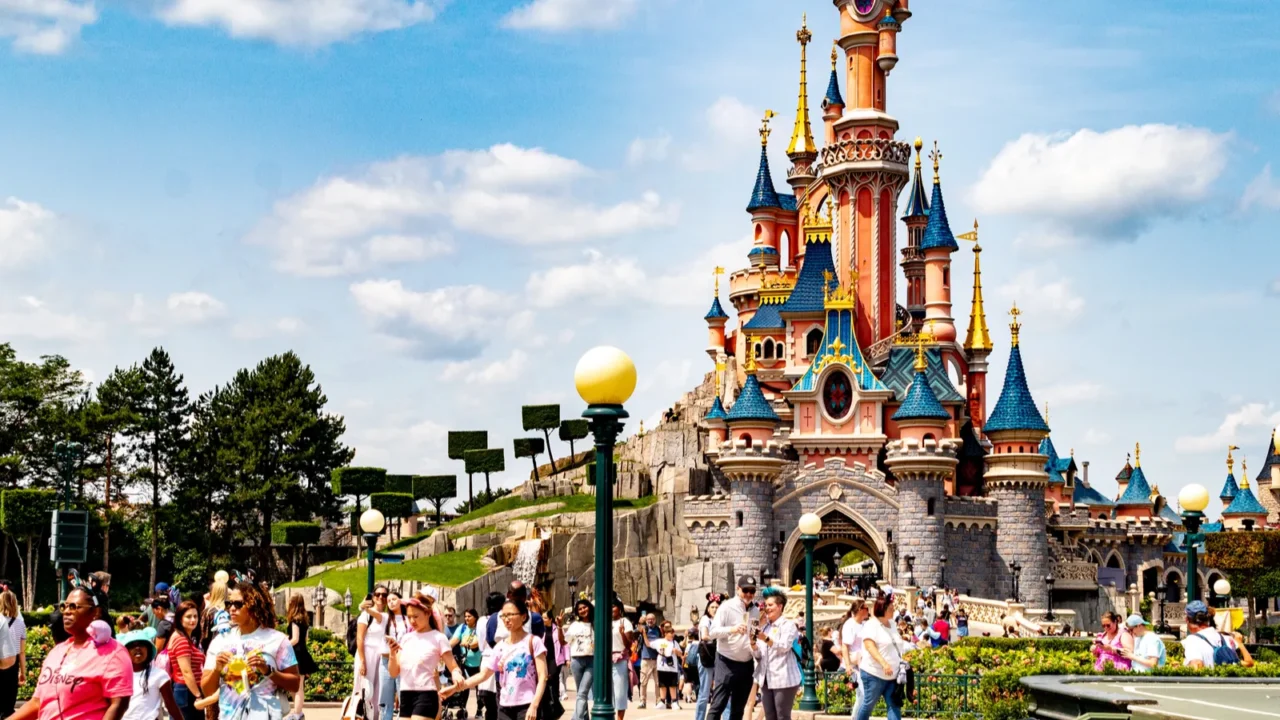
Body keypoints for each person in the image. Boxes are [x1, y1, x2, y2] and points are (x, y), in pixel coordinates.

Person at [9, 586, 132, 720]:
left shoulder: (113, 652)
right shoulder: (56, 652)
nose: (67, 611)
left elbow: (119, 704)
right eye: (65, 606)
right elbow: (37, 703)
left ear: (95, 612)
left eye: (74, 607)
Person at [201, 581, 301, 719]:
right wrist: (217, 669)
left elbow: (295, 684)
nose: (231, 609)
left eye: (238, 604)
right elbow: (207, 690)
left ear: (254, 605)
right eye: (229, 604)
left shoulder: (277, 640)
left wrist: (268, 671)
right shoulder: (220, 641)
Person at [444, 598, 548, 720]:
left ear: (523, 617)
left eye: (510, 615)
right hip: (504, 706)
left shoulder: (534, 642)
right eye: (503, 616)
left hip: (527, 705)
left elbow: (543, 676)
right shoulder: (500, 647)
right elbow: (483, 675)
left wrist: (534, 705)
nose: (506, 619)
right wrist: (456, 688)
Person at [388, 596, 465, 720]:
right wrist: (392, 653)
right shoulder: (406, 638)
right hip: (405, 694)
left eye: (416, 616)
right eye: (409, 617)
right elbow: (393, 673)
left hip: (426, 694)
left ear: (428, 613)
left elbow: (453, 666)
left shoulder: (438, 638)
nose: (412, 621)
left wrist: (456, 675)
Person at [706, 576, 761, 720]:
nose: (749, 594)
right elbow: (712, 632)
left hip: (746, 664)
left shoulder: (755, 611)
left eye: (752, 591)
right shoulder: (726, 606)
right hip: (726, 662)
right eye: (745, 590)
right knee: (718, 705)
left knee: (738, 710)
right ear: (738, 589)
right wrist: (733, 629)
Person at [853, 594, 907, 720]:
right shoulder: (871, 625)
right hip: (874, 674)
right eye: (890, 608)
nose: (893, 610)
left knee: (894, 705)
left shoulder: (892, 624)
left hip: (893, 675)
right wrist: (884, 663)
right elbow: (869, 646)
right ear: (883, 609)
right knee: (868, 705)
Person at [752, 587, 799, 720]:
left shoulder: (788, 625)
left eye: (770, 605)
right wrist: (753, 644)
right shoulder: (765, 627)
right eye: (766, 605)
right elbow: (759, 656)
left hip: (783, 679)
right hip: (766, 679)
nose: (767, 608)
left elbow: (784, 646)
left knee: (782, 716)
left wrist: (765, 638)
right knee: (770, 716)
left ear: (780, 606)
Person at [120, 627, 184, 720]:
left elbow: (171, 705)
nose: (137, 648)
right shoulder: (119, 676)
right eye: (132, 645)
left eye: (142, 644)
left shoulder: (159, 675)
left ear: (148, 649)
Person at [356, 585, 392, 720]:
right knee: (365, 690)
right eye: (378, 594)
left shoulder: (388, 616)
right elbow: (360, 638)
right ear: (373, 596)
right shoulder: (365, 616)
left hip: (382, 656)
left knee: (379, 691)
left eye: (384, 595)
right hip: (367, 654)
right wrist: (363, 661)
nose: (381, 597)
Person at [168, 600, 207, 720]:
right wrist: (198, 695)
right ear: (180, 619)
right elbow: (186, 671)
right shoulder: (181, 640)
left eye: (195, 616)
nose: (193, 620)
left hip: (184, 689)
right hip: (186, 690)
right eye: (188, 617)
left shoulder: (182, 637)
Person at [284, 594, 319, 720]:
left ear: (293, 603)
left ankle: (297, 713)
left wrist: (283, 643)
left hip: (296, 655)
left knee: (297, 687)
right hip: (303, 653)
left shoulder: (294, 620)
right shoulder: (304, 619)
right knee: (299, 686)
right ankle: (297, 711)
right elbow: (305, 638)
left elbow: (295, 639)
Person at [380, 591, 411, 719]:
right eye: (389, 601)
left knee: (403, 697)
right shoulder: (385, 618)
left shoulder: (409, 619)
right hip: (386, 661)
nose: (391, 602)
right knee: (386, 701)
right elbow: (371, 611)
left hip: (402, 661)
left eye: (394, 599)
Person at [1181, 601, 1238, 669]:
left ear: (1187, 620)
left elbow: (1197, 666)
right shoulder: (1227, 638)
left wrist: (1180, 669)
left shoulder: (1192, 640)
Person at [476, 592, 506, 720]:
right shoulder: (500, 619)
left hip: (485, 658)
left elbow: (481, 643)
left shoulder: (481, 620)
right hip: (498, 659)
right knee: (498, 699)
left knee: (488, 700)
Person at [450, 608, 483, 714]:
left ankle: (479, 709)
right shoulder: (462, 628)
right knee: (464, 685)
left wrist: (468, 644)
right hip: (465, 662)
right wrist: (444, 649)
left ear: (475, 617)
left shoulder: (479, 628)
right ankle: (463, 708)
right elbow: (454, 641)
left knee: (480, 688)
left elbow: (477, 643)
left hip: (479, 664)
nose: (467, 618)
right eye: (465, 616)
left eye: (469, 616)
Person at [695, 594, 723, 720]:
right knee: (704, 692)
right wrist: (718, 635)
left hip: (720, 656)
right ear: (707, 608)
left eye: (717, 607)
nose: (715, 609)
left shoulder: (722, 620)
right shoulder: (705, 619)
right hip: (707, 655)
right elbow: (705, 635)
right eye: (712, 607)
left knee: (722, 690)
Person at [565, 600, 594, 720]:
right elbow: (566, 642)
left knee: (582, 692)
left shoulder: (596, 624)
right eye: (580, 609)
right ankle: (584, 718)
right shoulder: (574, 625)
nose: (583, 610)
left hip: (592, 660)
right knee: (581, 693)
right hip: (576, 660)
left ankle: (577, 719)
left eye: (585, 607)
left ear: (589, 608)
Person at [0, 590, 25, 716]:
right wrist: (23, 673)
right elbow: (22, 652)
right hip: (12, 665)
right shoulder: (20, 624)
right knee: (9, 708)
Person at [611, 600, 634, 720]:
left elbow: (629, 645)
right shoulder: (605, 622)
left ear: (619, 608)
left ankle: (620, 718)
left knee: (620, 692)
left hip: (620, 658)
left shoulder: (625, 622)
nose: (611, 609)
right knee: (608, 693)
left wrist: (622, 634)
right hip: (606, 660)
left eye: (613, 606)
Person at [653, 623, 684, 710]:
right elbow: (649, 644)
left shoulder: (675, 642)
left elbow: (681, 653)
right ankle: (662, 701)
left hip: (672, 668)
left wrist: (676, 651)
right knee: (662, 685)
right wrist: (643, 634)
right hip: (662, 667)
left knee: (672, 685)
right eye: (671, 633)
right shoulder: (660, 641)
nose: (672, 635)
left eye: (673, 633)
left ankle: (674, 701)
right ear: (666, 633)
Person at [637, 613, 660, 709]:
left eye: (652, 619)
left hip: (657, 659)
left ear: (655, 619)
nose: (650, 621)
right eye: (648, 619)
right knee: (643, 682)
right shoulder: (643, 629)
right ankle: (643, 701)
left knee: (658, 682)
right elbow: (637, 630)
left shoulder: (658, 630)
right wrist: (640, 622)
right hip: (646, 659)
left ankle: (659, 701)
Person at [200, 581, 229, 652]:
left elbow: (203, 636)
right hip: (230, 649)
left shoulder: (208, 612)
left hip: (212, 650)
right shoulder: (232, 610)